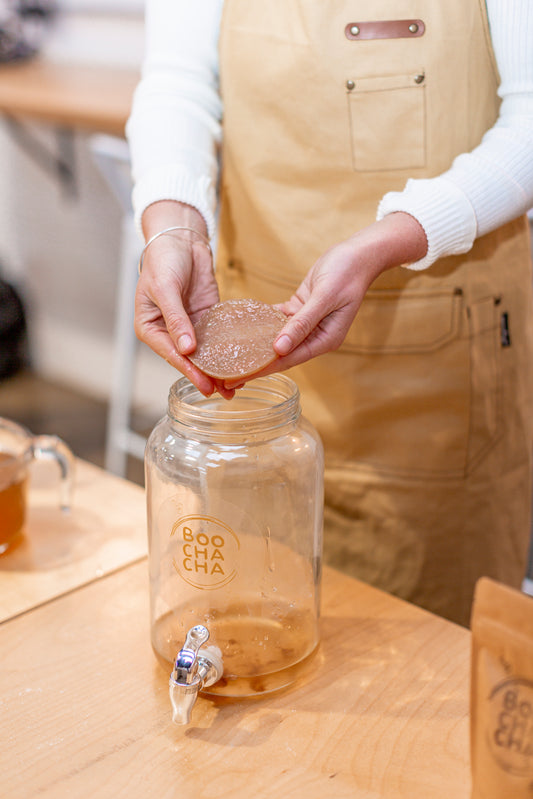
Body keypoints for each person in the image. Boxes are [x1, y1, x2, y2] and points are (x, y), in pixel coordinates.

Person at [127, 0, 533, 626]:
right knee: (258, 618)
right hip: (254, 382)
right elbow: (178, 82)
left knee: (424, 663)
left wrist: (391, 238)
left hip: (443, 377)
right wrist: (171, 227)